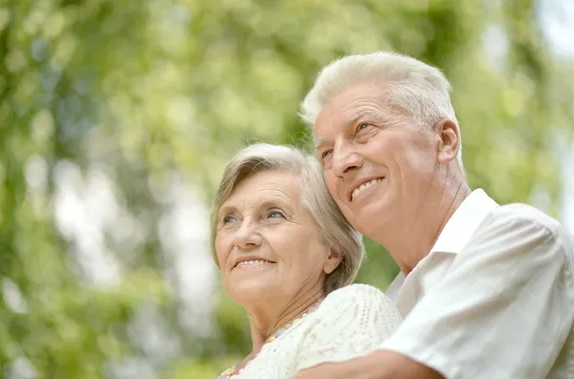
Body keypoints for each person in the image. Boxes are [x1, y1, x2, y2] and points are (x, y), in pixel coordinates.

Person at [293, 51, 574, 379]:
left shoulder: (526, 238)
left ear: (444, 141)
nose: (340, 163)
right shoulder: (383, 308)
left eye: (364, 128)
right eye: (326, 153)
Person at [211, 143, 402, 378]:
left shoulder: (353, 308)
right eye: (230, 219)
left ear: (332, 250)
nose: (243, 237)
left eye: (273, 214)